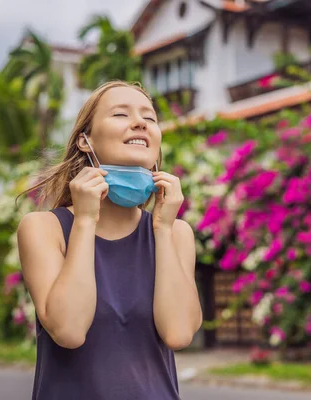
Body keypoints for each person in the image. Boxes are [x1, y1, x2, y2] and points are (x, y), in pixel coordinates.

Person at [16, 81, 202, 400]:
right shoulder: (42, 228)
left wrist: (162, 228)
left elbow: (179, 333)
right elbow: (69, 330)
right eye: (120, 114)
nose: (140, 122)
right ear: (85, 141)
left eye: (150, 118)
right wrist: (86, 221)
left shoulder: (176, 232)